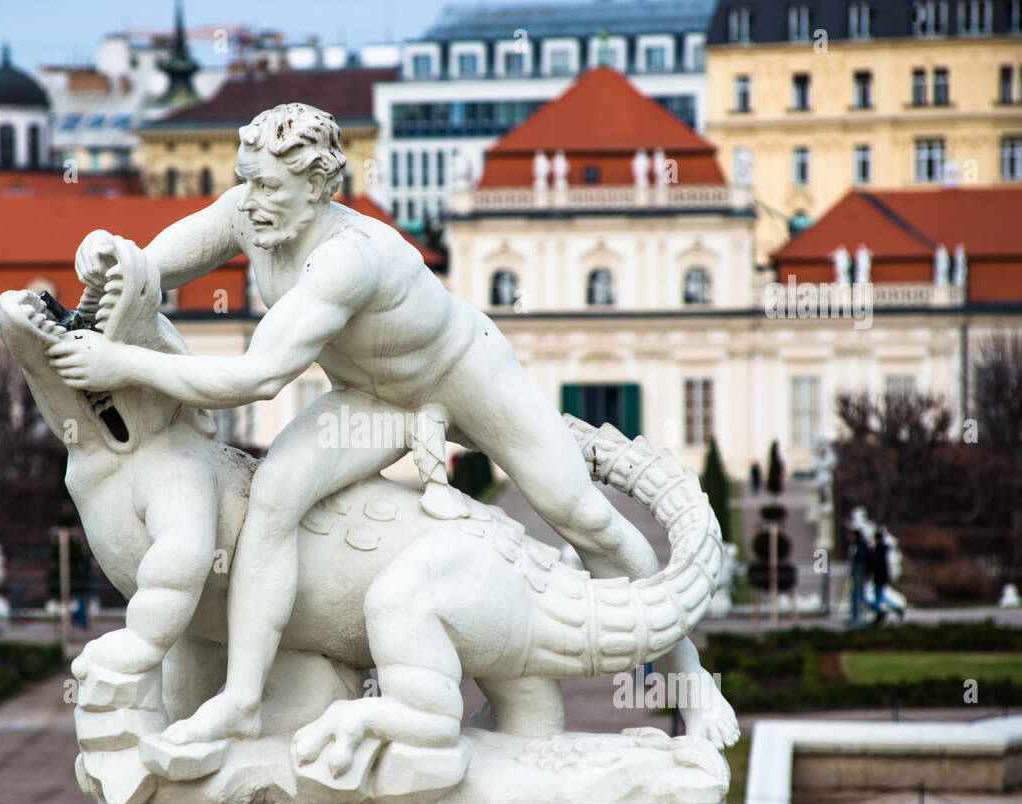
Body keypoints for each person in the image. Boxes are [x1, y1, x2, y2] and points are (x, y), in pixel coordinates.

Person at [49, 103, 663, 744]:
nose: (251, 201)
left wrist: (119, 362)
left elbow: (257, 380)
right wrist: (113, 255)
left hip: (463, 374)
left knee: (583, 516)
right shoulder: (250, 212)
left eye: (268, 188)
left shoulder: (348, 257)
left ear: (315, 188)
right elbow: (153, 268)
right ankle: (242, 699)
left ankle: (684, 675)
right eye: (247, 180)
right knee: (274, 498)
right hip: (374, 399)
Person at [846, 527, 870, 627]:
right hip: (856, 574)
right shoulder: (855, 546)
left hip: (859, 575)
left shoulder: (861, 546)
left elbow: (862, 559)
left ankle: (859, 619)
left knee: (858, 597)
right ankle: (855, 617)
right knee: (854, 597)